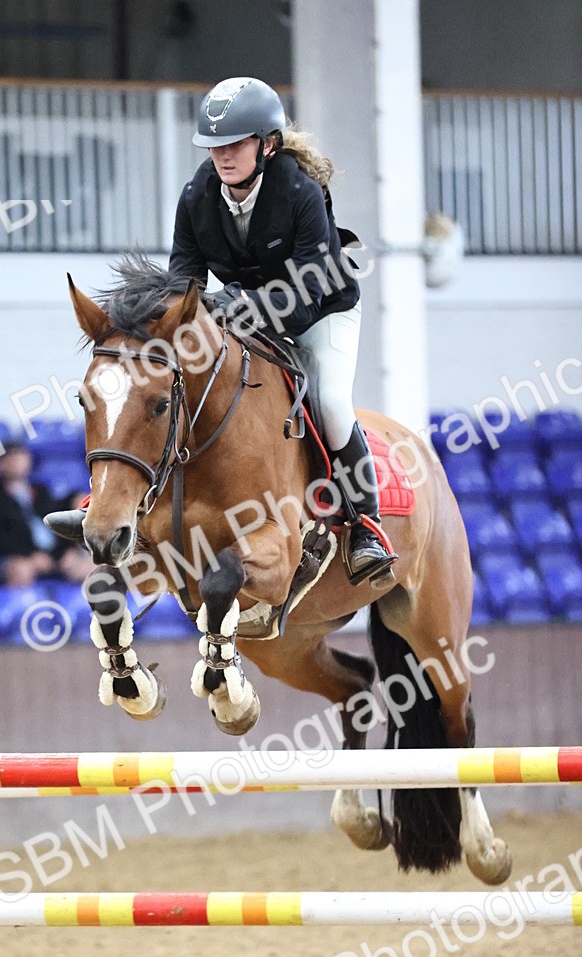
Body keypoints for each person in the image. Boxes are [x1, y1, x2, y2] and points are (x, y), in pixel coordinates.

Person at [169, 75, 395, 586]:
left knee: (332, 403)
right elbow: (183, 283)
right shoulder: (196, 197)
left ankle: (365, 526)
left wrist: (233, 304)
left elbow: (299, 304)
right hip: (245, 317)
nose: (222, 156)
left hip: (319, 312)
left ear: (267, 144)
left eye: (235, 144)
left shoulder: (300, 191)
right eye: (214, 147)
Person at [0, 444, 93, 588]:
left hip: (48, 556)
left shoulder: (40, 490)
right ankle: (23, 608)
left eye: (20, 456)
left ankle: (81, 607)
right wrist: (30, 554)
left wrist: (67, 551)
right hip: (9, 557)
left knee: (90, 565)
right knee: (21, 569)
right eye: (10, 457)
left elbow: (55, 521)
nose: (16, 461)